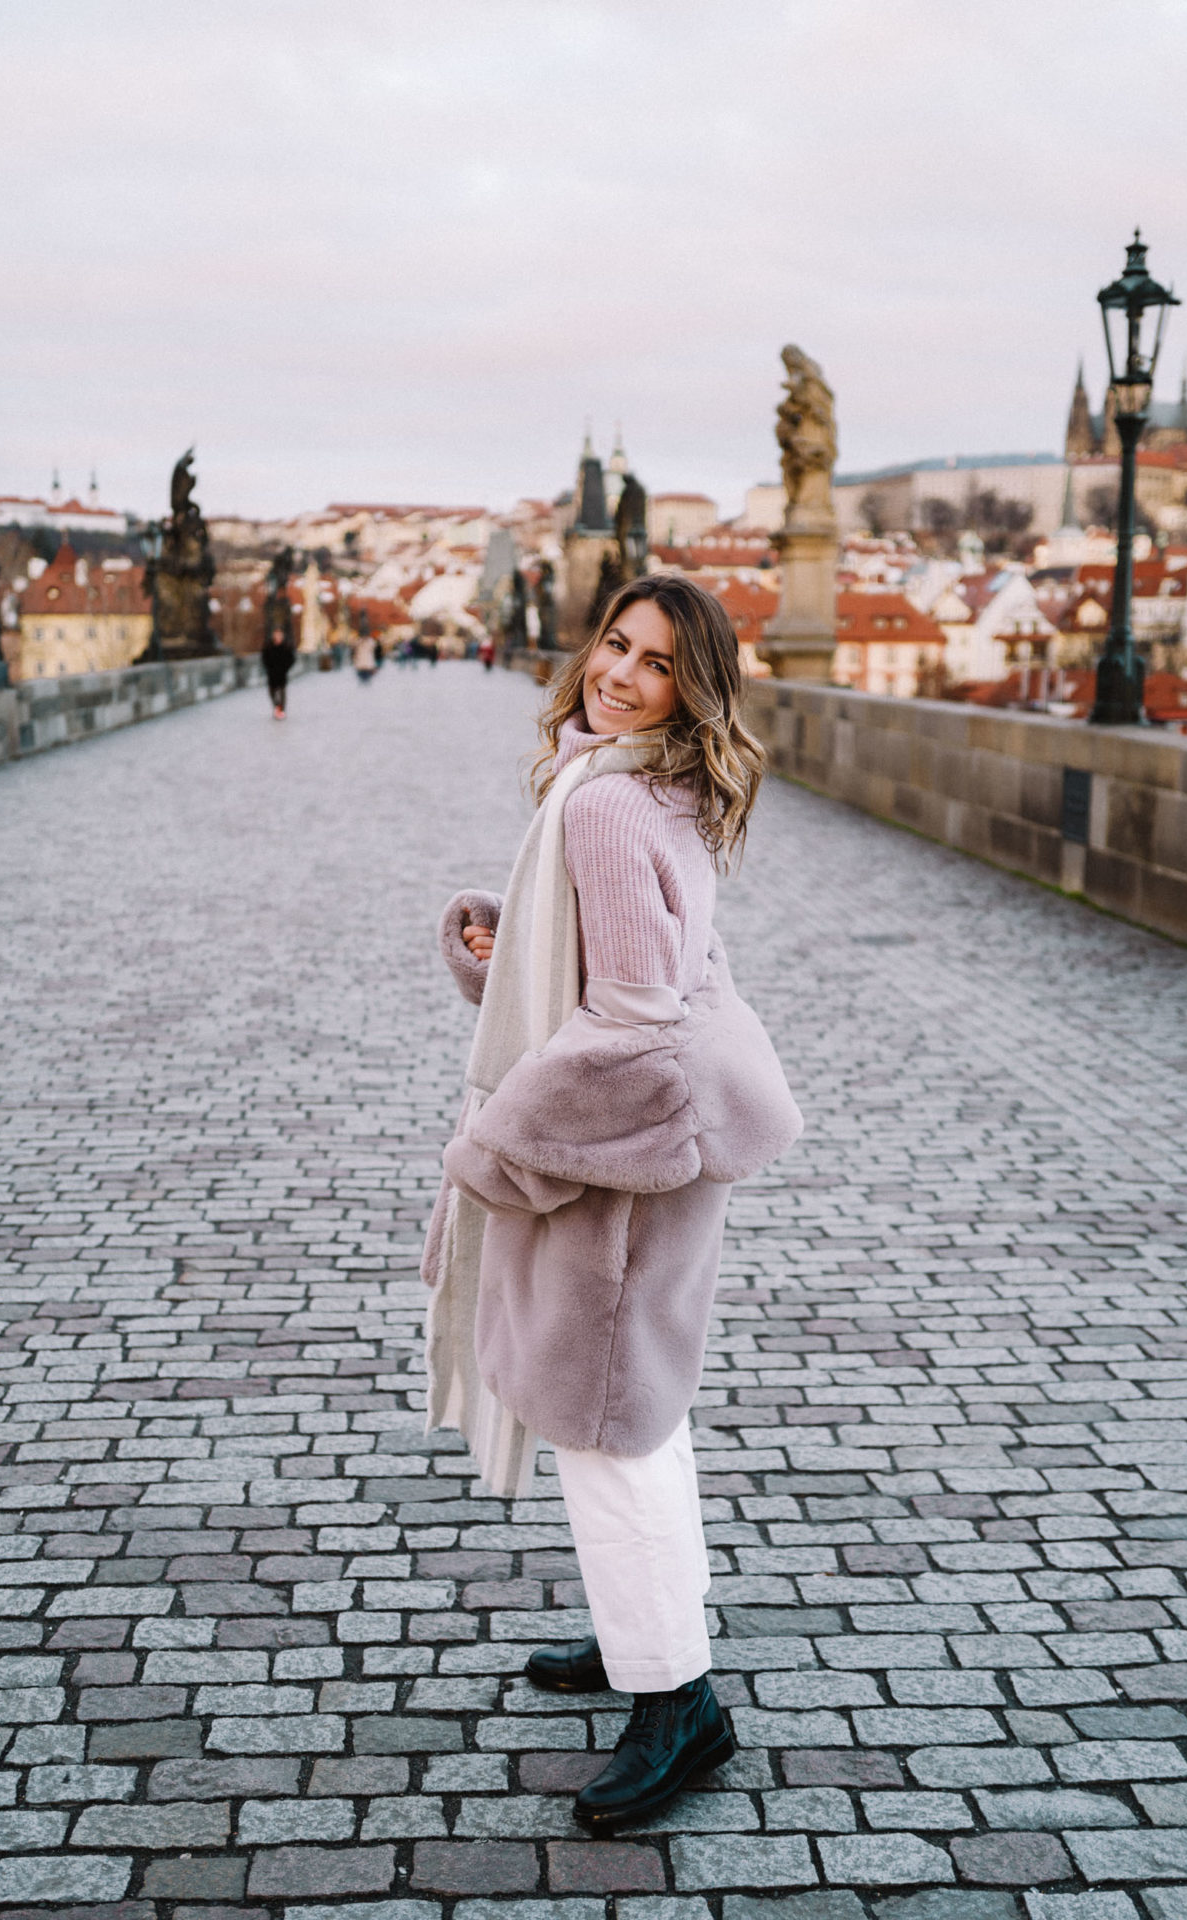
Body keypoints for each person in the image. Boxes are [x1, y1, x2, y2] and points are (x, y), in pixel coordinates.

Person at [425, 575, 802, 1832]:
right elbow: (647, 964)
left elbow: (632, 1019)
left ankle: (677, 1702)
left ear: (693, 692)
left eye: (657, 664)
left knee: (606, 1429)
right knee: (644, 1413)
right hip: (666, 1146)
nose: (621, 675)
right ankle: (643, 1626)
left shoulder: (602, 801)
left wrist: (502, 1144)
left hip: (617, 1159)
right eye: (615, 645)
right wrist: (516, 944)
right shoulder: (655, 786)